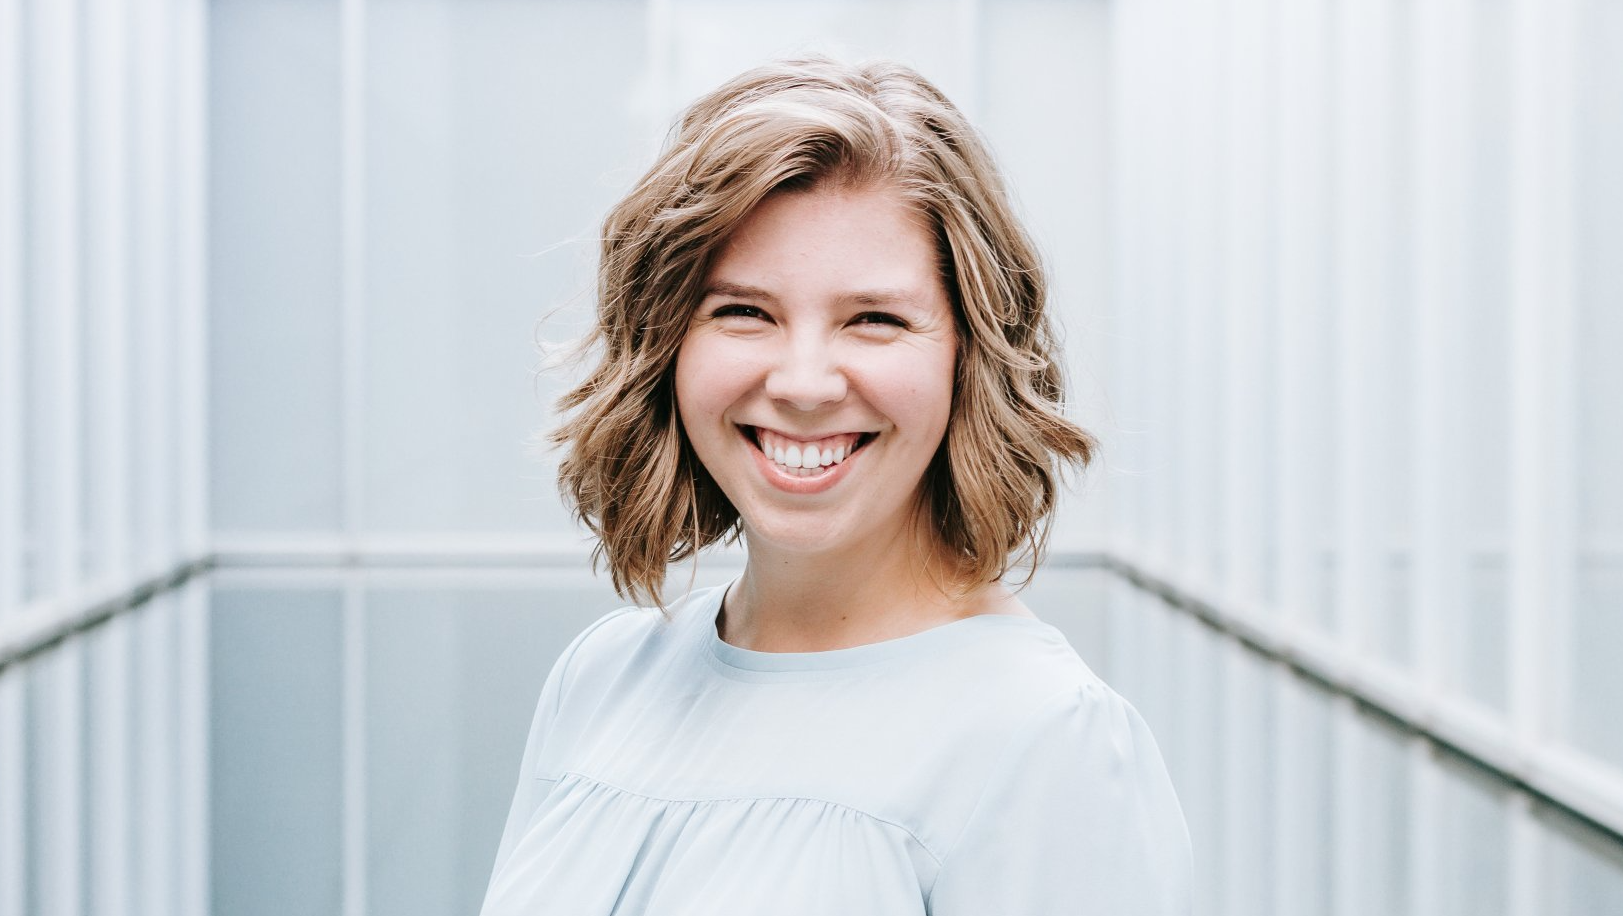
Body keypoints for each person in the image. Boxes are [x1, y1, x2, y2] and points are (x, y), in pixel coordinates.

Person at [480, 56, 1192, 915]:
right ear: (665, 344)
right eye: (742, 310)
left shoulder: (1043, 739)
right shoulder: (602, 678)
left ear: (970, 355)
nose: (804, 383)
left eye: (875, 320)